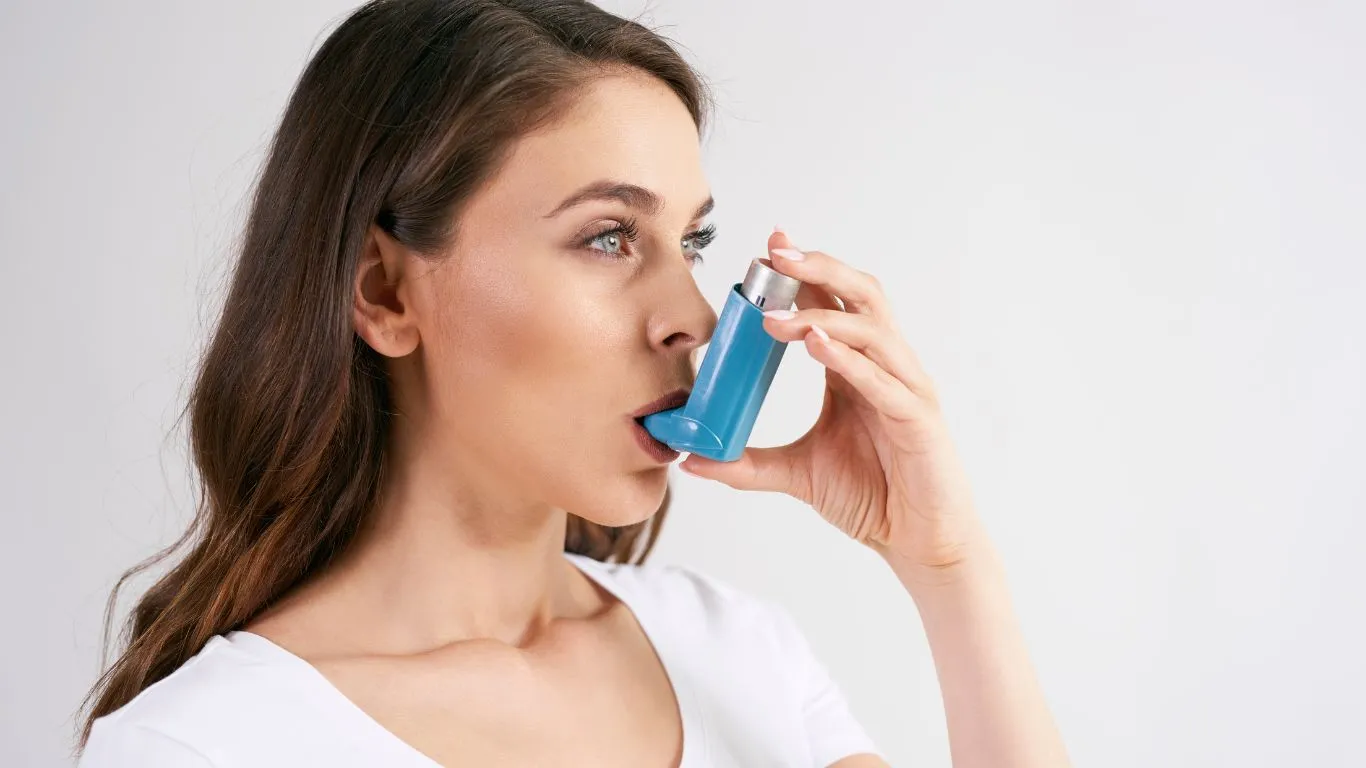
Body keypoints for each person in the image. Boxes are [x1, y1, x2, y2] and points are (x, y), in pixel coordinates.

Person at [75, 1, 1070, 766]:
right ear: (384, 290)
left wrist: (946, 569)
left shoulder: (734, 652)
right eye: (606, 237)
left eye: (692, 242)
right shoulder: (206, 746)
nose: (692, 312)